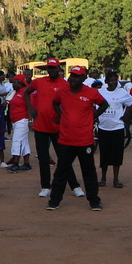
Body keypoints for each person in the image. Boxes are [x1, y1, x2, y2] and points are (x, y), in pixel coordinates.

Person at [47, 66, 107, 211]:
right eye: (72, 75)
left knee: (89, 172)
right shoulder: (62, 91)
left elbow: (104, 104)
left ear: (83, 78)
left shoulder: (91, 93)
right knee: (61, 171)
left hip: (84, 140)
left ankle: (94, 201)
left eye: (77, 76)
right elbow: (55, 103)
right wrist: (61, 115)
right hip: (66, 139)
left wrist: (92, 116)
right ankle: (54, 201)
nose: (73, 78)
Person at [29, 58, 81, 198]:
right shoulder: (39, 82)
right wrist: (31, 109)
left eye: (54, 67)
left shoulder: (65, 84)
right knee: (43, 158)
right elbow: (27, 92)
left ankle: (74, 185)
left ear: (59, 68)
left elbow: (71, 102)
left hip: (58, 128)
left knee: (64, 158)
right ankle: (45, 186)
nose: (52, 70)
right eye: (49, 68)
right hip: (40, 127)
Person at [96, 73, 132, 188]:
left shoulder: (122, 92)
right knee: (104, 154)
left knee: (117, 154)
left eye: (115, 80)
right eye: (110, 80)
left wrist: (125, 117)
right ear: (106, 81)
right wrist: (96, 117)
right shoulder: (100, 92)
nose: (113, 83)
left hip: (117, 128)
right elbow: (93, 104)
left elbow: (130, 103)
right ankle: (103, 178)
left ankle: (116, 179)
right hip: (103, 128)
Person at [6, 76, 33, 171]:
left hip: (22, 120)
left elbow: (30, 106)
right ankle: (26, 163)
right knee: (24, 142)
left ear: (19, 83)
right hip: (16, 121)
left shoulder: (25, 92)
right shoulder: (16, 92)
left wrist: (30, 120)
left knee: (16, 141)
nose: (12, 84)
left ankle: (16, 163)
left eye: (14, 82)